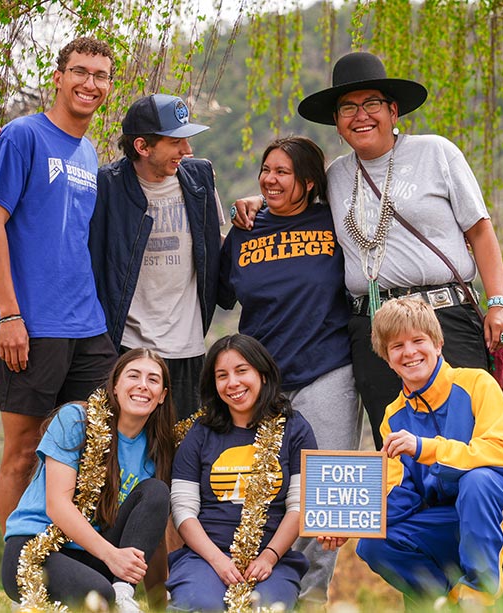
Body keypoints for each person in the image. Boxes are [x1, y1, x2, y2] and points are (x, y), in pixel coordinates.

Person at [231, 52, 503, 450]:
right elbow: (296, 201)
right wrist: (258, 200)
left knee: (469, 438)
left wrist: (498, 302)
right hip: (372, 328)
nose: (360, 115)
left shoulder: (436, 153)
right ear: (337, 122)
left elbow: (481, 230)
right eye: (348, 107)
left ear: (393, 110)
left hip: (443, 315)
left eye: (371, 104)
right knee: (396, 444)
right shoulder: (336, 176)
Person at [0, 36, 118, 532]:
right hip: (30, 322)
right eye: (80, 72)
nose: (90, 83)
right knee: (21, 448)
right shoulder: (22, 136)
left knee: (98, 437)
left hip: (86, 323)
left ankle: (73, 555)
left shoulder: (87, 152)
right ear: (57, 78)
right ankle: (16, 576)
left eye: (101, 76)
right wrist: (10, 314)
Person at [218, 136, 361, 604]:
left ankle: (312, 598)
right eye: (266, 169)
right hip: (262, 381)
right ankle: (257, 593)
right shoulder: (245, 228)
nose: (269, 179)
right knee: (260, 492)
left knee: (327, 495)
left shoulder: (334, 221)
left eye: (282, 172)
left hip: (329, 370)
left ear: (309, 182)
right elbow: (220, 293)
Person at [352, 298, 503, 607]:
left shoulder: (477, 383)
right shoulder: (392, 418)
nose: (409, 352)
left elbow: (502, 454)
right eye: (397, 346)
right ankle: (449, 601)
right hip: (456, 524)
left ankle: (481, 590)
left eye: (418, 341)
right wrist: (349, 523)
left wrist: (425, 448)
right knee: (372, 544)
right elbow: (400, 497)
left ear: (438, 343)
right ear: (387, 358)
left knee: (479, 480)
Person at [1, 348, 175, 612]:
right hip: (34, 548)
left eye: (153, 379)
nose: (142, 385)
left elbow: (150, 531)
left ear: (162, 396)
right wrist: (112, 556)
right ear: (115, 386)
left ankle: (123, 592)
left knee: (156, 491)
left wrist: (160, 603)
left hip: (92, 556)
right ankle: (34, 599)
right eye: (133, 376)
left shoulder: (154, 449)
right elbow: (57, 504)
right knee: (99, 596)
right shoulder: (76, 420)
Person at [90, 94, 224, 422]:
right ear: (143, 146)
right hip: (128, 348)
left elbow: (218, 243)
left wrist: (253, 205)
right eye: (176, 142)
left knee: (183, 453)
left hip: (187, 348)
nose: (187, 151)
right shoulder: (107, 186)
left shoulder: (200, 179)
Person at [166, 334, 318, 612]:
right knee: (202, 605)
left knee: (268, 607)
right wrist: (217, 560)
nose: (232, 383)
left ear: (262, 373)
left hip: (273, 558)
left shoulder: (295, 428)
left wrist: (270, 557)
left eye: (241, 371)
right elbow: (184, 510)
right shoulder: (200, 433)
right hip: (205, 557)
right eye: (221, 375)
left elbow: (299, 506)